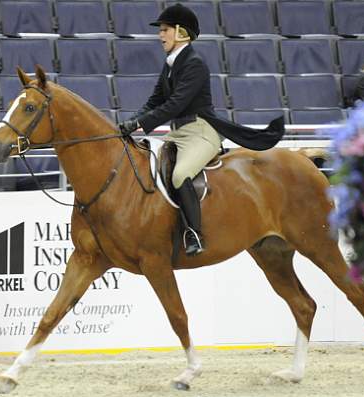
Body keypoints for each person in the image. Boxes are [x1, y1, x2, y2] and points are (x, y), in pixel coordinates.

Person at [117, 3, 284, 256]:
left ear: (181, 32)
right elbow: (155, 101)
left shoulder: (194, 63)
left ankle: (194, 232)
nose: (160, 35)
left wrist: (141, 124)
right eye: (160, 30)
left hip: (200, 132)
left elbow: (175, 104)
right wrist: (130, 122)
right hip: (178, 134)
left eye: (165, 30)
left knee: (180, 174)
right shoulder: (170, 64)